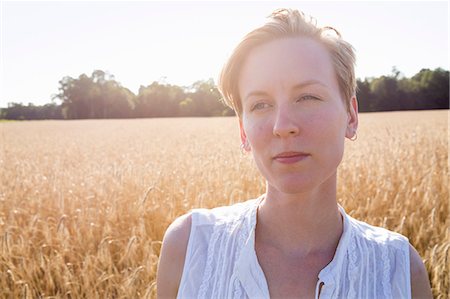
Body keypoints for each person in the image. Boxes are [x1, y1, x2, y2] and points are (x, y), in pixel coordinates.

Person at [156, 8, 432, 299]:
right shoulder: (190, 247)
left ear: (351, 116)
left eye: (307, 97)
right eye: (260, 104)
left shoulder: (399, 268)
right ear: (243, 132)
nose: (282, 126)